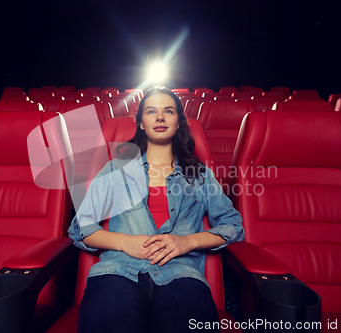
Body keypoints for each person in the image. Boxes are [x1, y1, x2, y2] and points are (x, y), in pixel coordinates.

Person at [68, 87, 244, 333]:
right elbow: (81, 226)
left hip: (182, 274)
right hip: (118, 271)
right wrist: (124, 242)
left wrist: (187, 242)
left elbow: (233, 225)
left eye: (168, 111)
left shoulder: (200, 174)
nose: (160, 117)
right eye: (151, 111)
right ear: (140, 122)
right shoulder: (116, 168)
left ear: (179, 121)